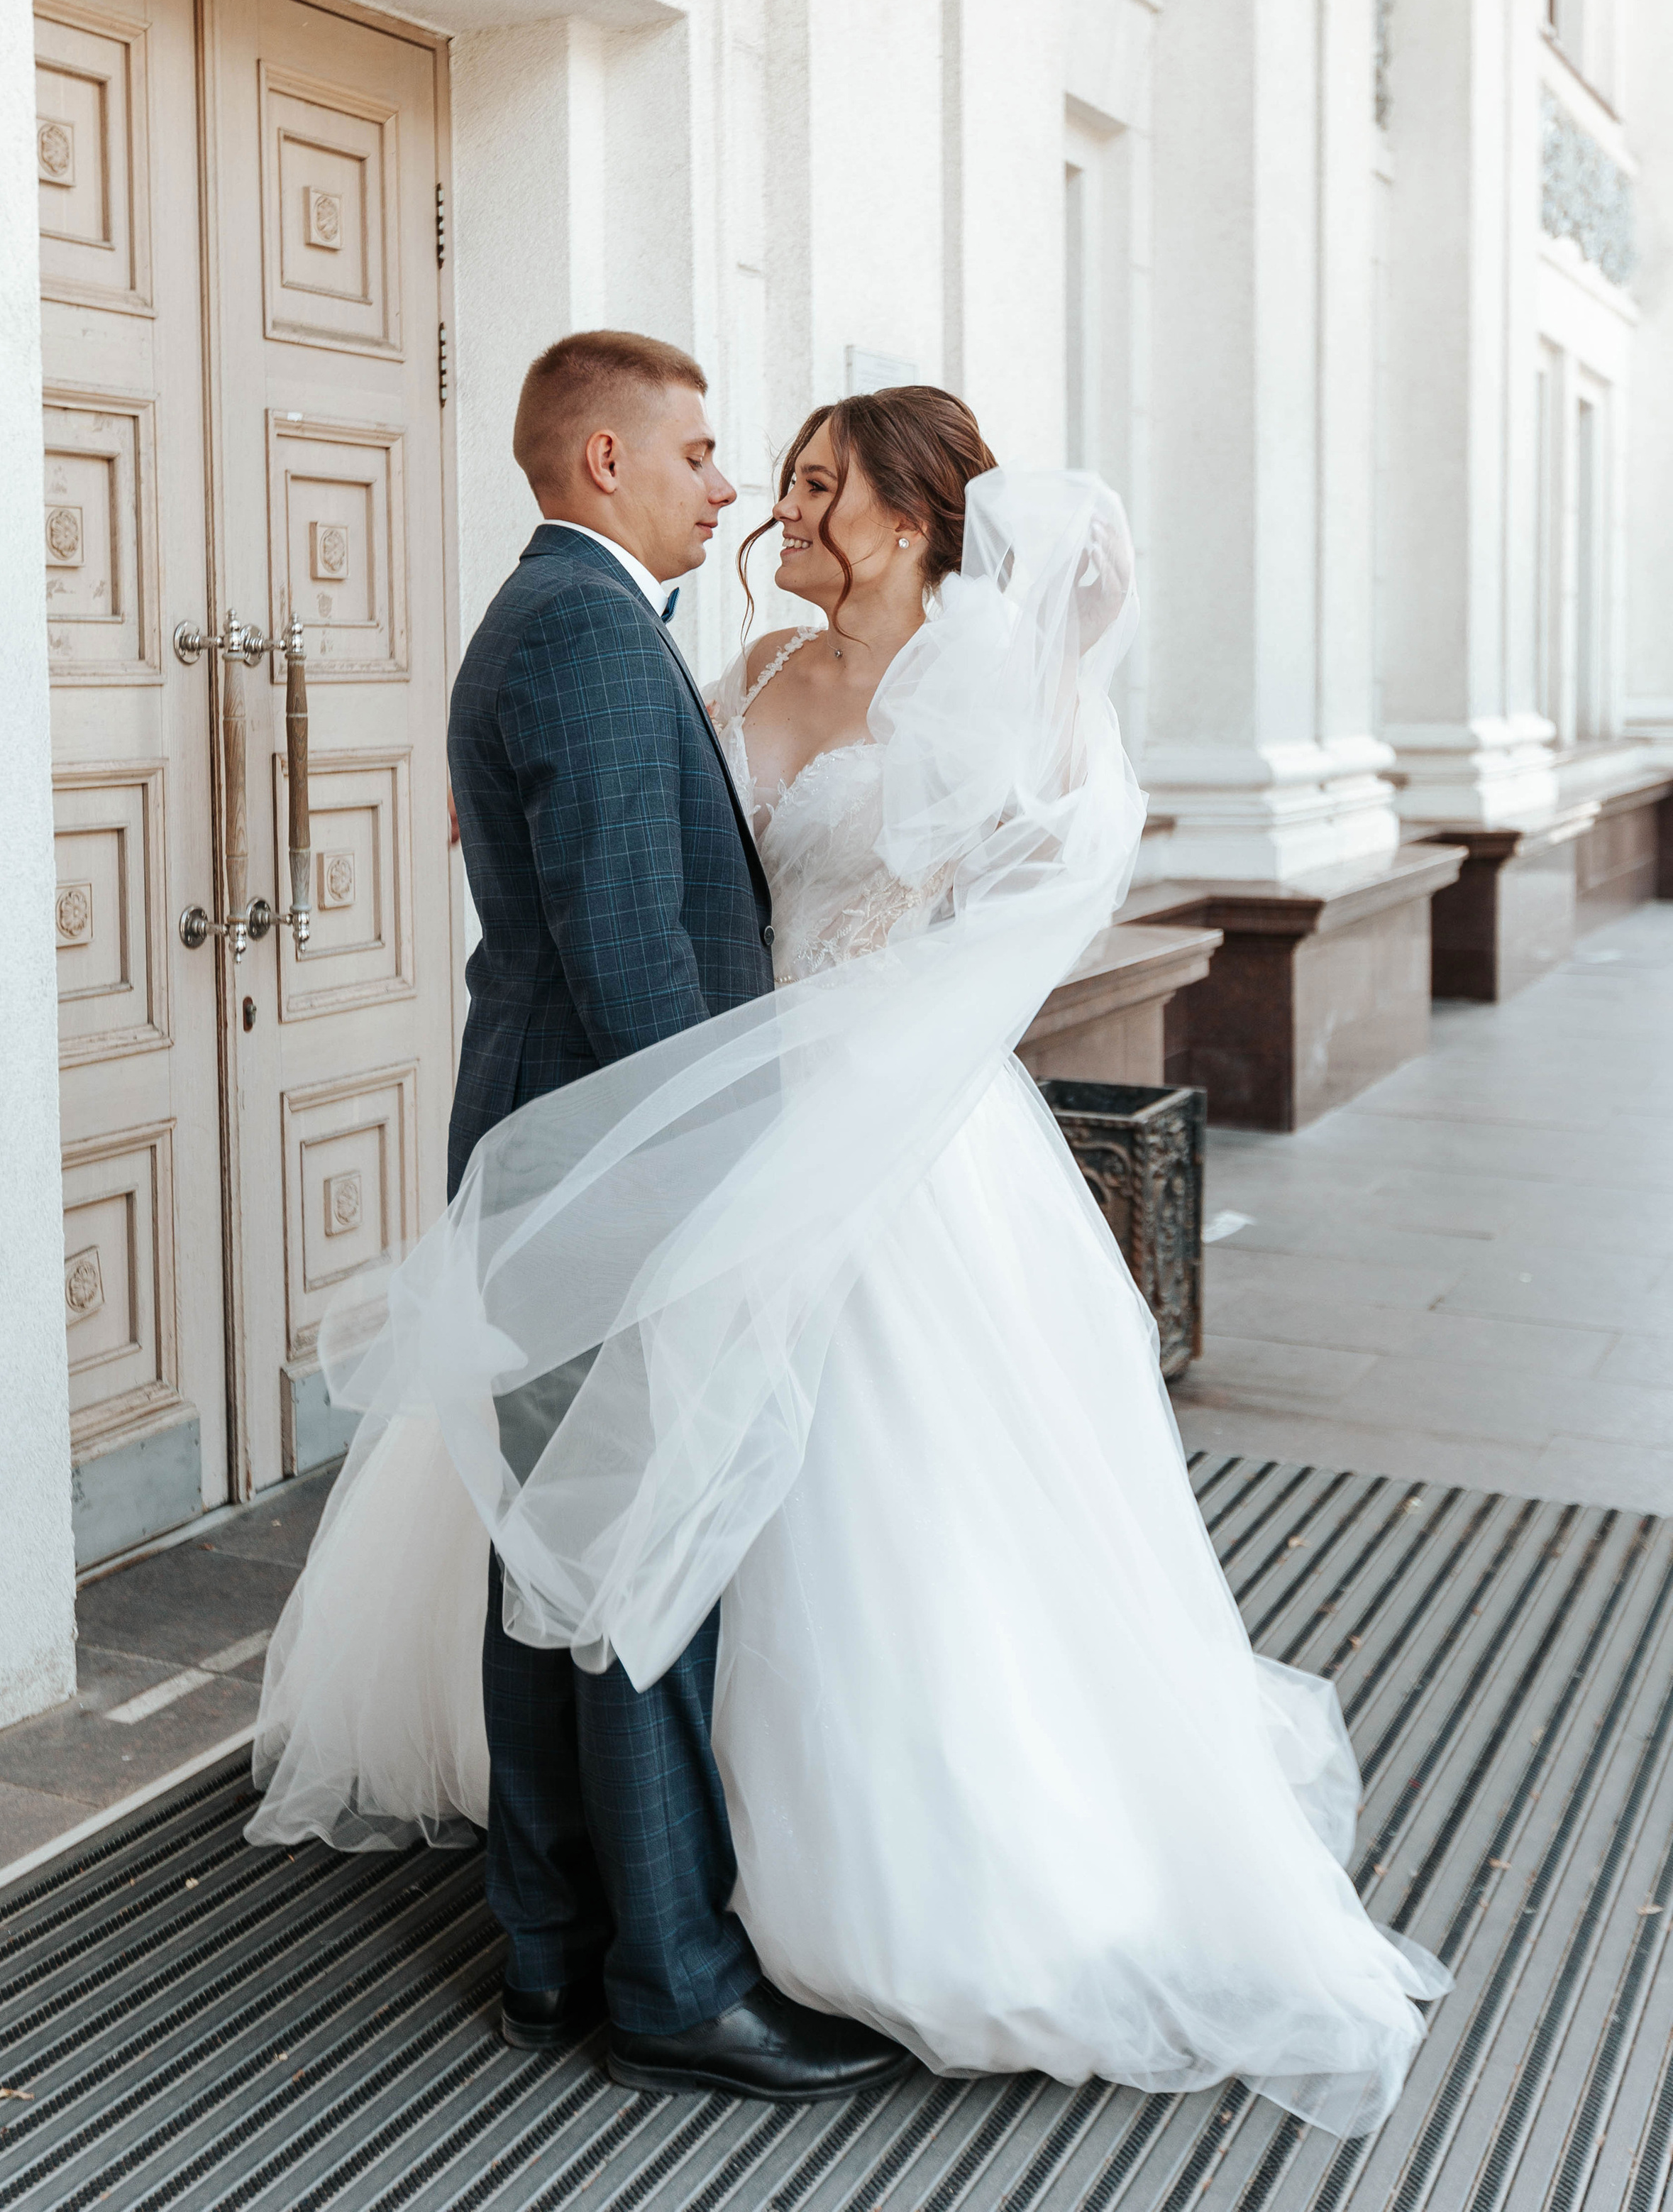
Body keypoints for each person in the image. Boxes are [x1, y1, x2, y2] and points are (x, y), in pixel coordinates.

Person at [252, 371, 1450, 2140]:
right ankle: (654, 1923)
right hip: (714, 1123)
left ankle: (805, 1896)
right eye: (763, 474)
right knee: (655, 1515)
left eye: (817, 489)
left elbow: (1028, 881)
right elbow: (644, 848)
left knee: (861, 1513)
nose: (771, 511)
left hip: (893, 1144)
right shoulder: (729, 672)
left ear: (907, 519)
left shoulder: (987, 697)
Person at [250, 329, 907, 2106]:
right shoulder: (593, 641)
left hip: (557, 1162)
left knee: (551, 1564)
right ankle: (671, 1981)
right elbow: (634, 966)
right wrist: (727, 1180)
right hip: (615, 1172)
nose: (729, 485)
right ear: (601, 460)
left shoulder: (570, 628)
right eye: (699, 452)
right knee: (633, 1572)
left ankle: (551, 1954)